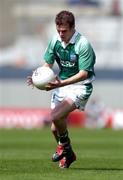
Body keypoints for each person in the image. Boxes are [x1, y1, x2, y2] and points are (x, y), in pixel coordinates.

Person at [27, 10, 96, 169]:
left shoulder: (82, 44)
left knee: (55, 116)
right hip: (62, 85)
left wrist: (61, 84)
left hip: (80, 86)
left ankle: (63, 145)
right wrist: (38, 77)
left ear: (73, 28)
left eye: (64, 31)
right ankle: (69, 153)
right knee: (54, 128)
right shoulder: (55, 40)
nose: (61, 33)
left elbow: (83, 73)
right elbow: (47, 64)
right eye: (58, 30)